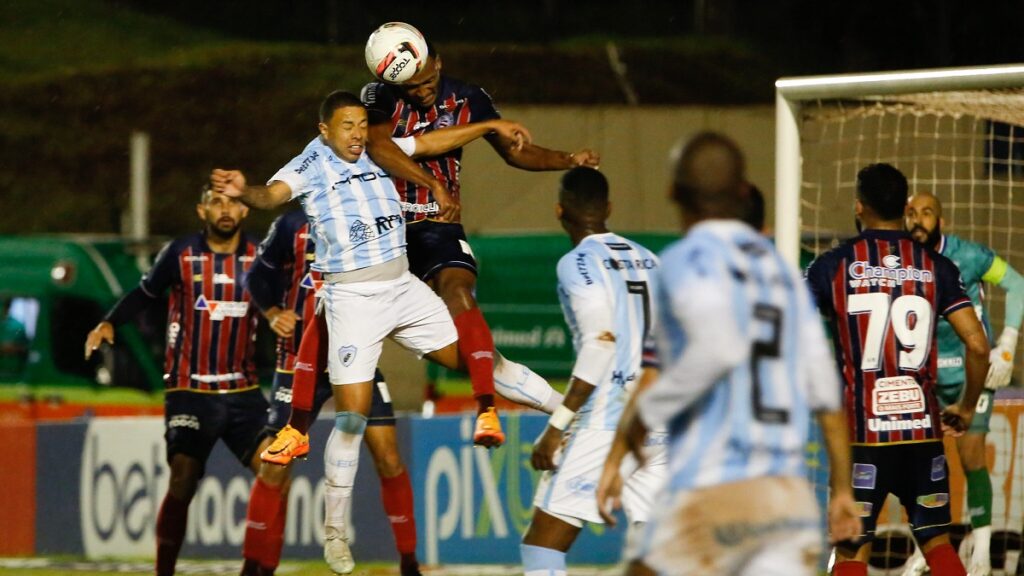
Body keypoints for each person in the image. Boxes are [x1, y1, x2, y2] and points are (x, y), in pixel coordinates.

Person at [210, 90, 550, 574]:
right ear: (324, 129)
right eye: (346, 126)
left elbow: (430, 143)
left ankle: (569, 412)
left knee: (485, 362)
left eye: (360, 124)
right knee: (352, 420)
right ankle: (335, 533)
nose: (356, 134)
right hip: (354, 301)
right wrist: (245, 191)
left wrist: (485, 130)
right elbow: (271, 195)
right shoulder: (312, 163)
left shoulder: (375, 147)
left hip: (403, 288)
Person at [597, 132, 861, 575]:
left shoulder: (681, 264)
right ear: (742, 192)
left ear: (673, 193)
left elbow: (698, 359)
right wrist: (842, 492)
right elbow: (827, 398)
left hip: (714, 486)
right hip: (787, 499)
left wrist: (627, 438)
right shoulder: (783, 275)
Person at [361, 37, 593, 427]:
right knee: (336, 338)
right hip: (382, 234)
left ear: (438, 62)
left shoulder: (468, 98)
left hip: (437, 228)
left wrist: (568, 160)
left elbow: (514, 150)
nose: (422, 91)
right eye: (412, 87)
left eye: (427, 80)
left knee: (459, 293)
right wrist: (433, 183)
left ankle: (498, 409)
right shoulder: (378, 96)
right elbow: (381, 148)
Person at [806, 163, 991, 576]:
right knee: (937, 541)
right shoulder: (936, 266)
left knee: (852, 549)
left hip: (863, 436)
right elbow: (979, 346)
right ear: (905, 209)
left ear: (859, 206)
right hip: (921, 435)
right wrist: (966, 407)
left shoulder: (834, 265)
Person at [84, 186, 264, 576]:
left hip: (244, 390)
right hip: (189, 388)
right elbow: (144, 293)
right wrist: (110, 322)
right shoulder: (181, 253)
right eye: (216, 202)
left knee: (274, 473)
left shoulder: (260, 256)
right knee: (183, 475)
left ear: (245, 211)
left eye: (233, 202)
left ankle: (255, 568)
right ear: (202, 211)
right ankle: (163, 570)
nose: (225, 209)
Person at [241, 209, 423, 576]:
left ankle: (409, 564)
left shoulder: (369, 221)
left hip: (355, 361)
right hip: (298, 362)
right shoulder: (292, 224)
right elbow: (255, 276)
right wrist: (273, 312)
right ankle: (253, 567)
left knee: (389, 457)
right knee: (275, 465)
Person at [519, 167, 666, 575]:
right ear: (609, 208)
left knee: (542, 546)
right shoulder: (652, 259)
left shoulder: (577, 263)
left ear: (559, 211)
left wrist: (557, 426)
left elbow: (601, 344)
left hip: (607, 422)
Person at [903, 191, 1024, 576]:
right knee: (923, 462)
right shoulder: (901, 262)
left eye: (926, 213)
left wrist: (1007, 344)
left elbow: (1018, 284)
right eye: (911, 213)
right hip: (926, 375)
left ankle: (982, 554)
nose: (918, 220)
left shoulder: (970, 256)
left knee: (971, 455)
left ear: (942, 221)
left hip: (973, 373)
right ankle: (925, 548)